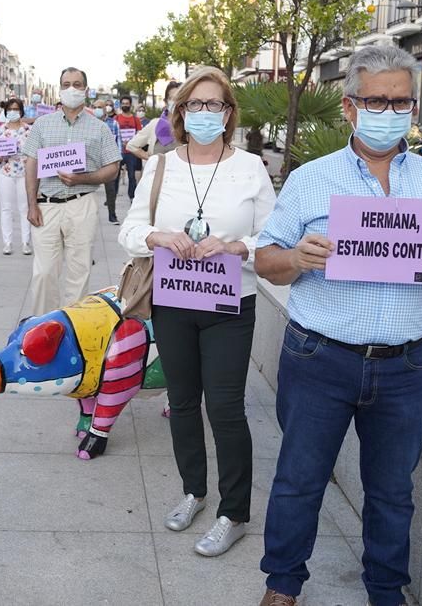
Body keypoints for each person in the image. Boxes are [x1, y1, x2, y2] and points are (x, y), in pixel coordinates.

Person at [253, 45, 422, 606]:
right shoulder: (310, 179)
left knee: (392, 491)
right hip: (319, 359)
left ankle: (385, 590)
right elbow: (265, 261)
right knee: (299, 480)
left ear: (412, 107)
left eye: (400, 100)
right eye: (376, 100)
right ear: (351, 107)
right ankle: (282, 585)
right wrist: (297, 259)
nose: (389, 110)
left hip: (404, 365)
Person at [119, 66, 276, 557]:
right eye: (195, 105)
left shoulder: (250, 168)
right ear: (181, 112)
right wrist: (157, 236)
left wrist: (236, 246)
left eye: (216, 105)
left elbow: (274, 236)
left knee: (226, 407)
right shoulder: (161, 166)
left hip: (231, 304)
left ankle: (234, 512)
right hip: (174, 300)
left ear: (229, 115)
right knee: (183, 401)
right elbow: (129, 230)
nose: (205, 113)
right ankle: (194, 490)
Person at [22, 67, 122, 314]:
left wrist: (82, 179)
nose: (72, 89)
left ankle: (70, 330)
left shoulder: (99, 128)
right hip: (46, 205)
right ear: (60, 88)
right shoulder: (43, 125)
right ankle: (41, 328)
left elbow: (113, 167)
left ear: (86, 90)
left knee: (79, 271)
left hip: (81, 203)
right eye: (66, 84)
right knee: (44, 272)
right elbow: (31, 163)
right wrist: (32, 204)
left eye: (77, 84)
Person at [0, 97, 32, 255]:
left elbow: (35, 152)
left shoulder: (29, 130)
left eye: (16, 109)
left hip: (24, 173)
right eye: (10, 109)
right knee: (6, 208)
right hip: (5, 172)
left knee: (24, 208)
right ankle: (7, 243)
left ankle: (25, 242)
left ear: (21, 111)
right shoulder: (0, 130)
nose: (13, 112)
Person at [127, 81, 182, 172]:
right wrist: (150, 158)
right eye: (172, 98)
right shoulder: (155, 124)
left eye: (179, 98)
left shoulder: (188, 126)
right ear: (166, 101)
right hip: (157, 176)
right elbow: (131, 145)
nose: (175, 102)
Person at [93, 99, 123, 224]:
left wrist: (118, 159)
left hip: (107, 161)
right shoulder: (88, 124)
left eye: (100, 107)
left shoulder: (113, 124)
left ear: (105, 109)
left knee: (110, 189)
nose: (97, 109)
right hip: (92, 160)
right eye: (95, 107)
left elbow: (119, 142)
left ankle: (112, 215)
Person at [114, 96, 143, 200]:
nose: (125, 105)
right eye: (123, 103)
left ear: (130, 105)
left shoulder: (136, 120)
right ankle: (113, 196)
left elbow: (139, 135)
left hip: (131, 152)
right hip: (118, 152)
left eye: (127, 103)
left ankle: (132, 197)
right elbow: (113, 134)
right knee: (115, 176)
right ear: (120, 105)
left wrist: (131, 143)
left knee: (132, 176)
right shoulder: (116, 119)